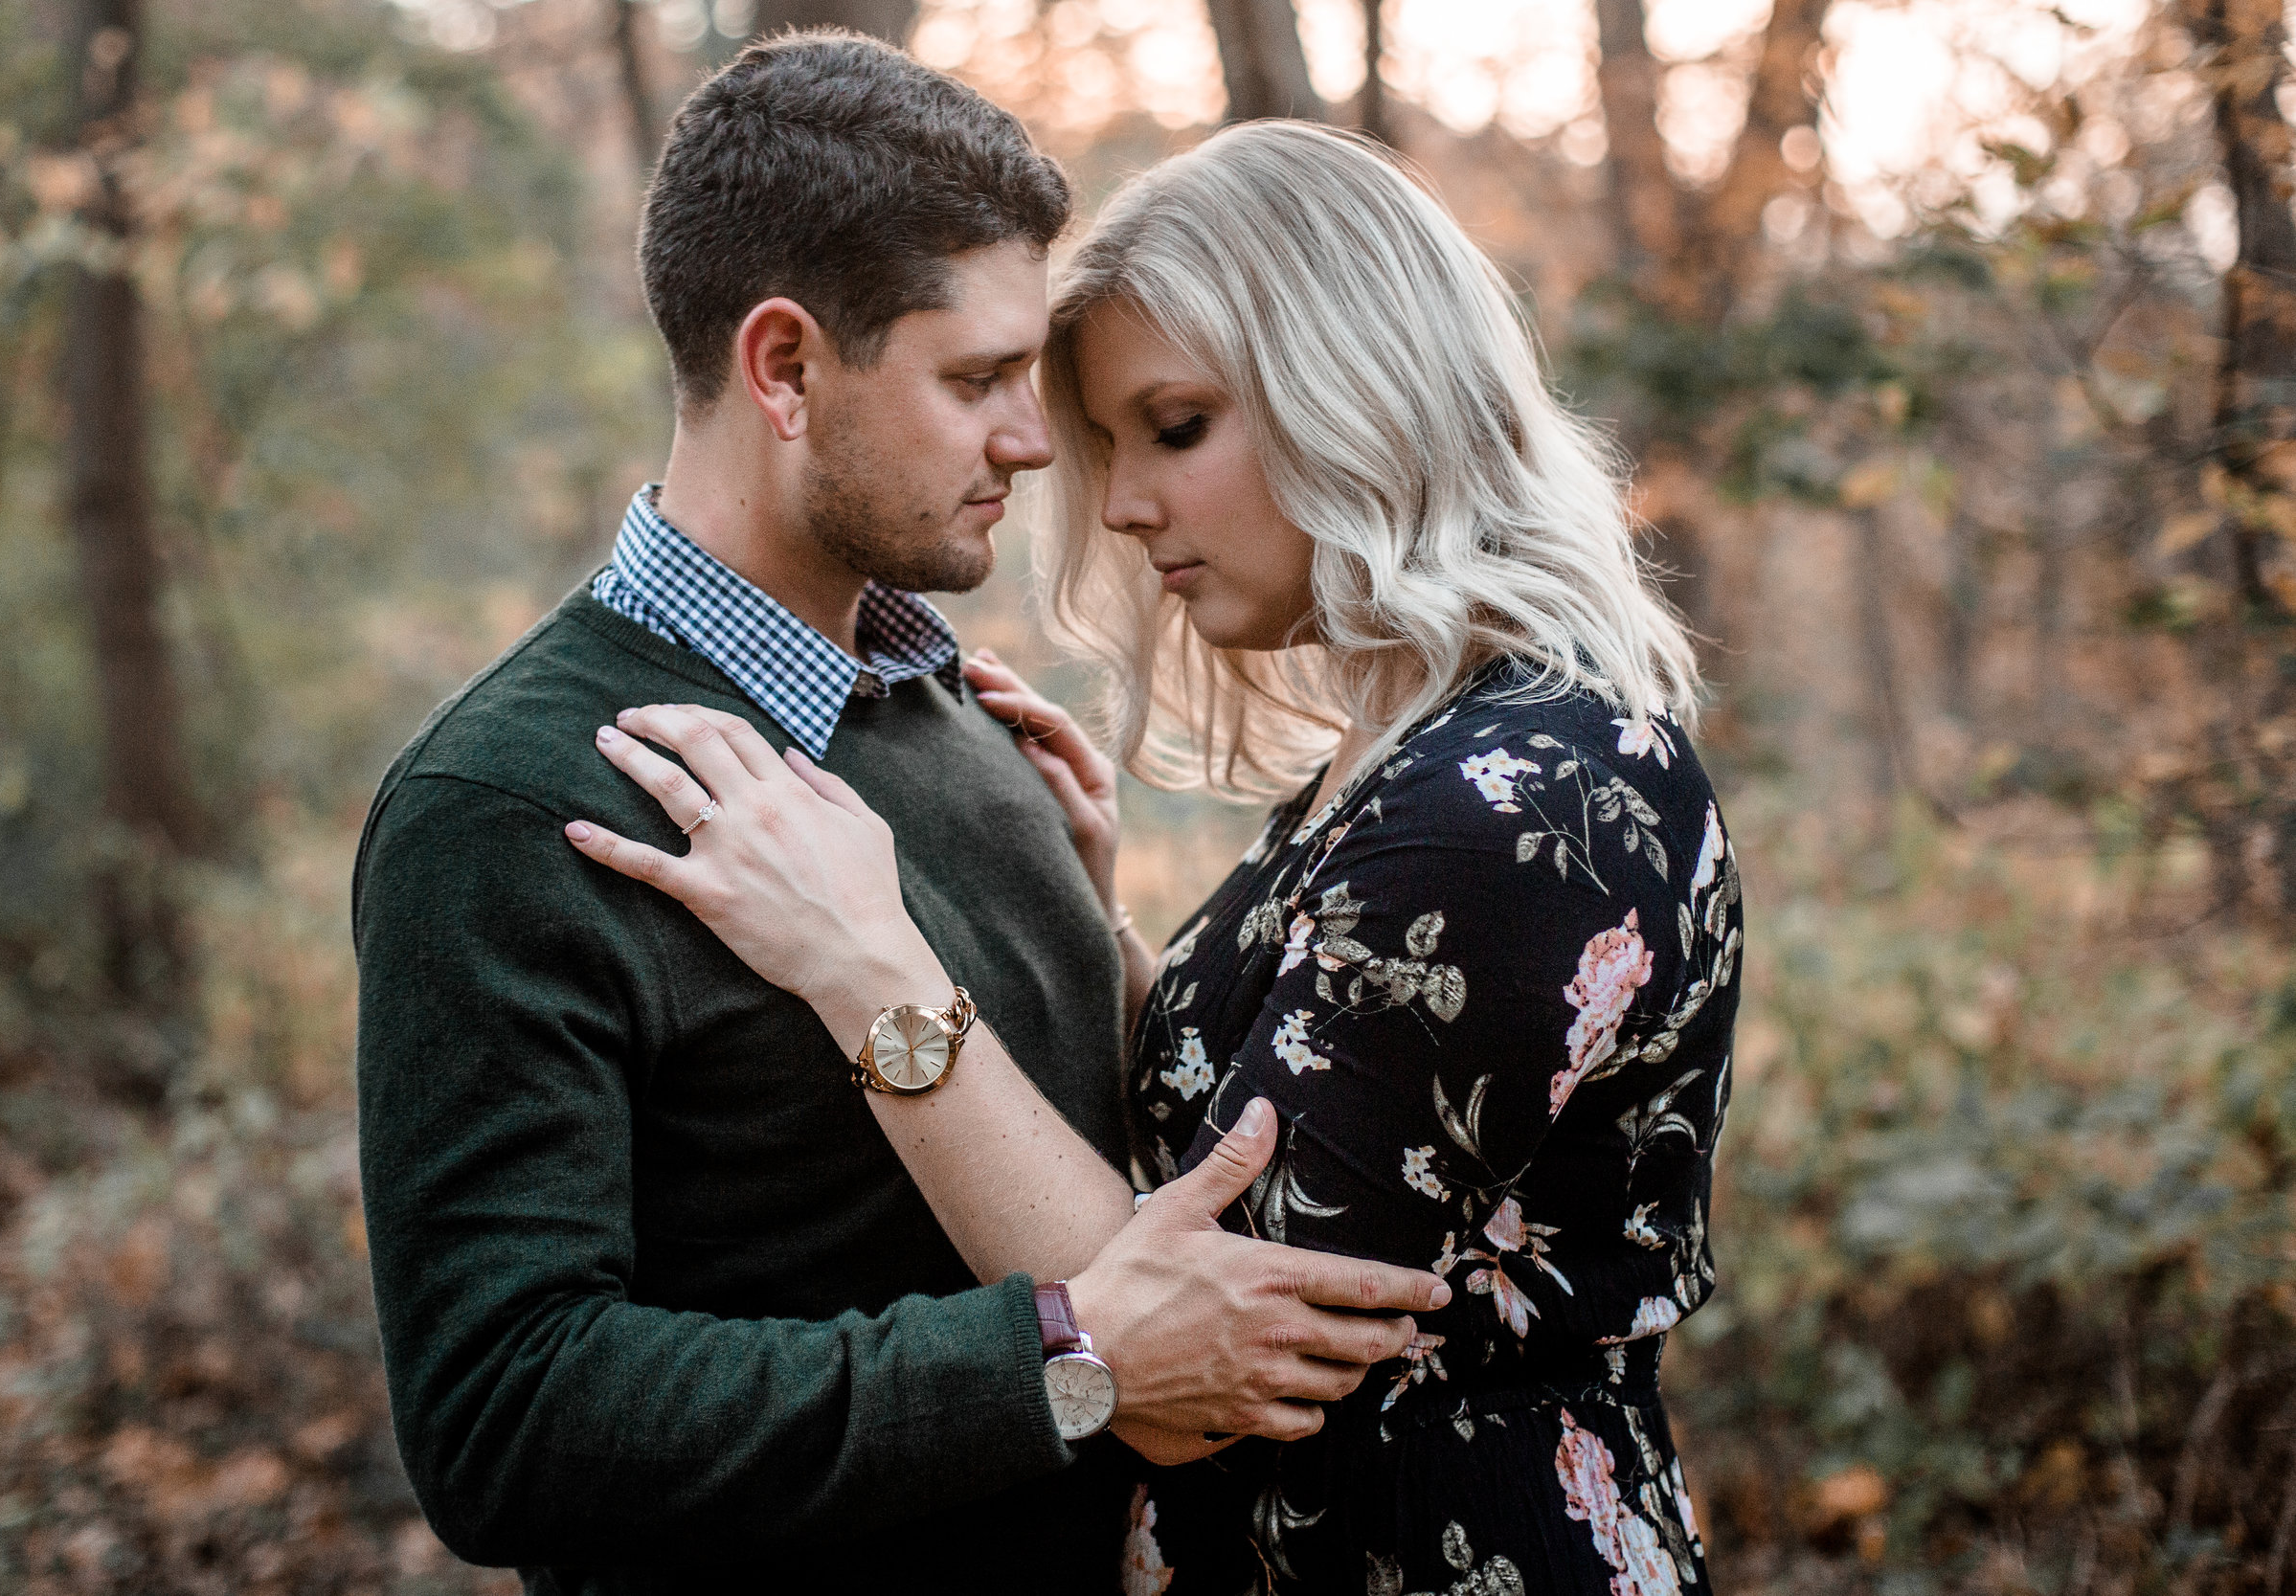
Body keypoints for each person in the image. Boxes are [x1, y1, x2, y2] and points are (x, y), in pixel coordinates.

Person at [569, 121, 1744, 1594]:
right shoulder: (1421, 755)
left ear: (1359, 390)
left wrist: (867, 966)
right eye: (1111, 444)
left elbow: (1193, 1328)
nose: (1122, 505)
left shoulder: (1523, 800)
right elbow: (1272, 1140)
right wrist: (1098, 917)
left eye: (1174, 428)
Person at [349, 40, 1448, 1596]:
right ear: (786, 369)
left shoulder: (966, 725)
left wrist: (1103, 931)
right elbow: (501, 1419)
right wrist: (1057, 1364)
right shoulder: (515, 800)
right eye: (978, 379)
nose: (1034, 440)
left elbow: (1098, 1181)